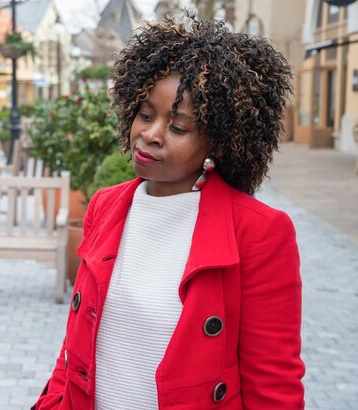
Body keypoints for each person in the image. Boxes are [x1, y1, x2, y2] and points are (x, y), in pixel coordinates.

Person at [33, 13, 305, 410]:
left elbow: (274, 386)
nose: (151, 134)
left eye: (178, 128)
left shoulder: (260, 232)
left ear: (219, 141)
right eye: (145, 114)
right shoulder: (106, 206)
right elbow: (77, 346)